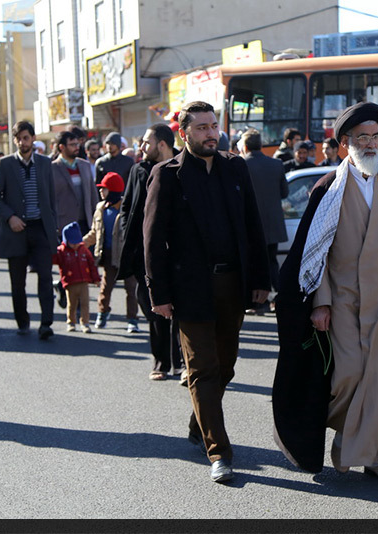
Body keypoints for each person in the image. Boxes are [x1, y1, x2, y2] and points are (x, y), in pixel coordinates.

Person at [273, 102, 378, 480]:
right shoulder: (326, 190)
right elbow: (315, 256)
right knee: (346, 376)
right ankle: (349, 440)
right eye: (361, 137)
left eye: (374, 137)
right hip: (344, 302)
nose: (369, 144)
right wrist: (320, 302)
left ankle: (374, 455)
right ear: (346, 142)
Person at [143, 101, 270, 483]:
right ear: (184, 134)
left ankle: (199, 424)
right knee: (201, 369)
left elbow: (253, 226)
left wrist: (261, 280)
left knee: (226, 366)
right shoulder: (167, 175)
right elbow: (152, 239)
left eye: (214, 126)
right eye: (201, 128)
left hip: (233, 284)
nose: (211, 133)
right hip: (189, 288)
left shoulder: (236, 168)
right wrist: (158, 293)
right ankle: (220, 452)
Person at [118, 124, 184, 381]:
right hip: (145, 255)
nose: (141, 147)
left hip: (178, 254)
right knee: (154, 309)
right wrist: (131, 241)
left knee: (181, 312)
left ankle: (182, 365)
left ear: (163, 144)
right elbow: (127, 209)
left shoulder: (183, 166)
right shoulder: (138, 170)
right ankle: (161, 363)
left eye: (147, 142)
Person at [0, 120, 59, 340]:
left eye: (26, 137)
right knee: (17, 282)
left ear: (33, 138)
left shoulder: (45, 163)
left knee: (46, 278)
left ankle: (46, 323)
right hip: (16, 229)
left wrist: (53, 227)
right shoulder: (4, 164)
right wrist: (10, 217)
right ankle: (22, 321)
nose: (22, 142)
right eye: (18, 138)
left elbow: (51, 199)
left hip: (40, 228)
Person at [83, 172, 139, 332]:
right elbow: (95, 232)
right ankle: (102, 313)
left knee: (131, 288)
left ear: (114, 190)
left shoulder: (127, 208)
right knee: (106, 287)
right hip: (107, 254)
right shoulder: (100, 208)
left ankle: (132, 319)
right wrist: (81, 243)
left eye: (105, 189)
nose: (101, 192)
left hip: (126, 255)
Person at [241, 128, 288, 309]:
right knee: (272, 262)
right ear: (261, 145)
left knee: (253, 263)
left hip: (251, 225)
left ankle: (257, 302)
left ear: (245, 146)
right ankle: (280, 297)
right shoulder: (276, 164)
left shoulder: (241, 164)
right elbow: (285, 192)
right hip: (273, 224)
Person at [53, 222, 100, 333]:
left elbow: (92, 264)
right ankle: (71, 322)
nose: (75, 245)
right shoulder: (62, 251)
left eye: (77, 242)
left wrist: (96, 278)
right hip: (70, 282)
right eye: (72, 242)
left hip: (84, 282)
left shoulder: (84, 250)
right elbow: (53, 259)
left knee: (85, 303)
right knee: (72, 304)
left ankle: (85, 323)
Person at [52, 131, 94, 234]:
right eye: (72, 145)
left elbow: (93, 195)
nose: (76, 147)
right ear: (61, 147)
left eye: (77, 144)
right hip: (64, 225)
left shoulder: (85, 165)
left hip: (86, 224)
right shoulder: (52, 169)